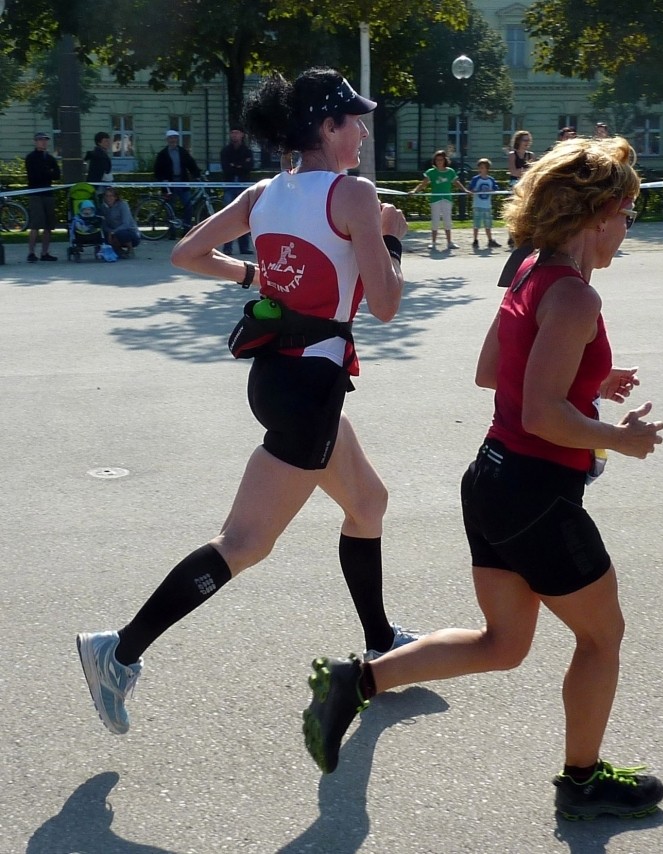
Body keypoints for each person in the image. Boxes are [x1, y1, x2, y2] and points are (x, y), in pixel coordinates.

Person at [301, 135, 663, 822]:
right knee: (602, 637)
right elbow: (541, 411)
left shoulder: (530, 274)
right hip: (535, 493)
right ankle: (582, 783)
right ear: (595, 215)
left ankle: (359, 680)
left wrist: (590, 379)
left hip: (492, 481)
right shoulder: (576, 300)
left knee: (503, 644)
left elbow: (497, 372)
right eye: (626, 213)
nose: (628, 227)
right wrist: (620, 437)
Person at [76, 67, 420, 737]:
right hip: (311, 392)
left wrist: (252, 272)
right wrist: (392, 236)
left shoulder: (265, 193)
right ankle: (117, 651)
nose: (363, 130)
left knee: (367, 502)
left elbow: (185, 253)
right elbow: (384, 305)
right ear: (326, 127)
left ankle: (381, 640)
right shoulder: (354, 195)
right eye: (354, 119)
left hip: (275, 375)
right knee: (244, 542)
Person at [410, 150, 466, 251]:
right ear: (434, 161)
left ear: (445, 160)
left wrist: (465, 190)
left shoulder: (450, 172)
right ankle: (433, 242)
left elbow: (456, 183)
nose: (439, 162)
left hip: (447, 199)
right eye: (437, 160)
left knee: (447, 221)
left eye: (441, 159)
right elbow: (423, 184)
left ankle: (449, 242)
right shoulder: (431, 172)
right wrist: (414, 191)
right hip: (435, 199)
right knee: (435, 221)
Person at [153, 129, 202, 229]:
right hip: (169, 184)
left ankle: (186, 227)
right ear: (167, 140)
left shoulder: (183, 152)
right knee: (171, 207)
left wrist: (197, 175)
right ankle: (172, 230)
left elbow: (191, 164)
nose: (173, 140)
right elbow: (157, 170)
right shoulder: (162, 154)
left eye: (175, 138)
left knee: (188, 205)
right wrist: (162, 181)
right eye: (170, 138)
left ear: (177, 139)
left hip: (182, 182)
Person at [25, 131, 61, 263]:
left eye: (45, 140)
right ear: (36, 141)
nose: (43, 142)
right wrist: (48, 172)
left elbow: (57, 175)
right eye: (41, 139)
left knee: (49, 225)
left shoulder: (50, 158)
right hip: (35, 194)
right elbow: (34, 176)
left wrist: (47, 173)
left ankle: (45, 252)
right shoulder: (31, 157)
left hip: (48, 194)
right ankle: (31, 252)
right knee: (35, 225)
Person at [220, 126, 254, 255]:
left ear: (242, 135)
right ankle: (227, 247)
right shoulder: (225, 151)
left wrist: (234, 165)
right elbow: (226, 168)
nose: (234, 135)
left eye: (237, 133)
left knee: (244, 217)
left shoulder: (247, 151)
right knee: (228, 217)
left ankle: (244, 247)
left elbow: (249, 167)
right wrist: (240, 165)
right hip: (229, 186)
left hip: (243, 187)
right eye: (232, 133)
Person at [507, 130, 535, 246]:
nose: (527, 142)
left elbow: (533, 171)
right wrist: (524, 172)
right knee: (514, 209)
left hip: (526, 184)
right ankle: (511, 235)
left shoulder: (531, 155)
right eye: (525, 140)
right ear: (518, 141)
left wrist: (523, 172)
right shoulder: (512, 155)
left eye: (528, 140)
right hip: (515, 184)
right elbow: (513, 171)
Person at [468, 157, 501, 249]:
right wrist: (473, 191)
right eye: (480, 167)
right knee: (476, 224)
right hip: (477, 205)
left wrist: (492, 190)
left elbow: (495, 188)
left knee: (488, 224)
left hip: (487, 205)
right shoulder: (476, 179)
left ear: (487, 169)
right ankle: (475, 240)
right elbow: (470, 189)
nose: (481, 169)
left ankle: (490, 240)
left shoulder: (490, 179)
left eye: (483, 167)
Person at [100, 186, 141, 257]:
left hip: (129, 232)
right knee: (103, 234)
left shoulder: (123, 205)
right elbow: (104, 224)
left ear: (116, 197)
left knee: (121, 233)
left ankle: (130, 249)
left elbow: (126, 224)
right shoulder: (103, 208)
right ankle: (118, 250)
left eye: (111, 196)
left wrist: (113, 232)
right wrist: (109, 232)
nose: (108, 198)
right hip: (112, 232)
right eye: (106, 196)